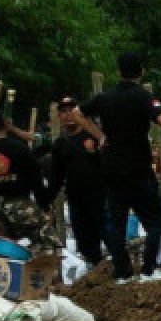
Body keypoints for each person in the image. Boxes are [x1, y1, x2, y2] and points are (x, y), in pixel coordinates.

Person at [75, 51, 161, 284]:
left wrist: (100, 135)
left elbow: (77, 113)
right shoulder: (143, 97)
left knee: (117, 222)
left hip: (111, 167)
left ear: (119, 71)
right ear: (141, 70)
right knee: (156, 220)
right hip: (137, 167)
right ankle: (149, 269)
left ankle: (122, 273)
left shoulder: (105, 97)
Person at [0, 109, 61, 255]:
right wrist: (45, 207)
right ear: (5, 125)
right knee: (47, 247)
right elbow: (37, 182)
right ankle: (46, 276)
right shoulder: (20, 149)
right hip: (22, 208)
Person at [49, 96, 107, 265]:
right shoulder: (60, 144)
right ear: (59, 116)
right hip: (76, 198)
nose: (68, 115)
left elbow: (110, 163)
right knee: (84, 238)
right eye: (63, 112)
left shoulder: (95, 137)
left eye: (71, 111)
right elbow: (56, 175)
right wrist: (47, 200)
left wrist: (94, 153)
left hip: (100, 195)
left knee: (106, 232)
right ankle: (93, 269)